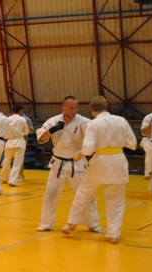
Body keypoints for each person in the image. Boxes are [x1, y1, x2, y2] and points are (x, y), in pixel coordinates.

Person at [61, 96, 137, 244]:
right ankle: (113, 235)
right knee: (116, 200)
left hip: (101, 160)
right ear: (106, 107)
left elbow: (88, 148)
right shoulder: (121, 121)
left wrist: (80, 155)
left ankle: (72, 223)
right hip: (118, 160)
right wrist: (116, 143)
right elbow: (132, 144)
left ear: (93, 110)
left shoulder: (93, 123)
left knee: (84, 192)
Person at [34, 96, 102, 233]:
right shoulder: (53, 121)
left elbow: (94, 137)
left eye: (76, 107)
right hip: (58, 162)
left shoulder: (83, 122)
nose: (74, 110)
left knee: (86, 194)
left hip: (77, 161)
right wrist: (52, 130)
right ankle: (46, 223)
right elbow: (41, 138)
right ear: (63, 107)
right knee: (50, 193)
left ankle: (93, 223)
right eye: (71, 108)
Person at [1, 105, 30, 187]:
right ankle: (13, 181)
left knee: (6, 160)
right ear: (20, 111)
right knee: (17, 162)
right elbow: (26, 131)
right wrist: (21, 132)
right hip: (19, 141)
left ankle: (4, 178)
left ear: (12, 111)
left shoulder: (7, 119)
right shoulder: (22, 119)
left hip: (9, 141)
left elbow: (4, 131)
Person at [18, 109, 34, 182]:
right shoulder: (11, 119)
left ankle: (21, 175)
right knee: (13, 159)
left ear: (22, 111)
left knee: (19, 158)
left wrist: (24, 129)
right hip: (12, 140)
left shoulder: (26, 119)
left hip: (23, 139)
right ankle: (16, 175)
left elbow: (31, 130)